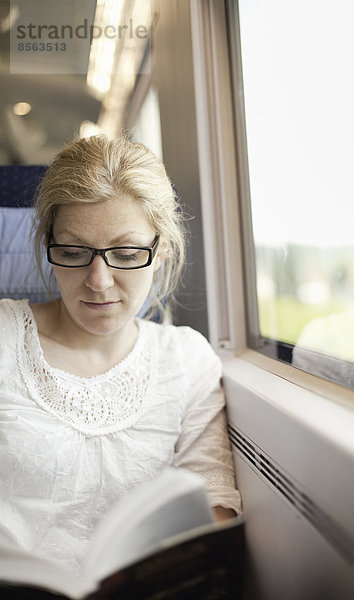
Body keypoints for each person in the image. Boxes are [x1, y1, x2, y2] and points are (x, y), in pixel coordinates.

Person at [0, 135, 241, 575]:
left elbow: (213, 505)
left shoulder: (186, 361)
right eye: (73, 253)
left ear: (161, 248)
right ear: (48, 246)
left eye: (127, 254)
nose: (98, 281)